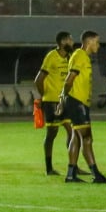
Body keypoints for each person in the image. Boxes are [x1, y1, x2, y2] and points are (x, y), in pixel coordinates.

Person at [58, 30, 106, 184]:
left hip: (79, 102)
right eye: (97, 42)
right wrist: (62, 98)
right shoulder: (80, 56)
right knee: (87, 138)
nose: (98, 46)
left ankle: (71, 174)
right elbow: (69, 79)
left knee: (76, 137)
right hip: (77, 102)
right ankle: (96, 174)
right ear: (89, 42)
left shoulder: (83, 57)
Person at [33, 31, 79, 176]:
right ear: (63, 42)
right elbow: (38, 80)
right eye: (70, 40)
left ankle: (74, 166)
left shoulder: (69, 57)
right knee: (52, 134)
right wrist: (44, 96)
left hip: (65, 100)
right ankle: (49, 168)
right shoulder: (51, 56)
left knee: (72, 132)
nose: (72, 42)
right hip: (52, 101)